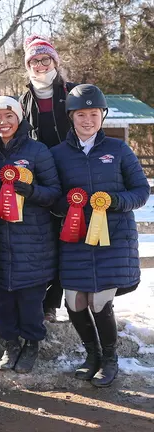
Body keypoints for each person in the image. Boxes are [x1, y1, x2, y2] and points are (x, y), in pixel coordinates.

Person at [51, 85, 149, 388]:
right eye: (82, 114)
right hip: (75, 237)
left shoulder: (119, 151)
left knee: (100, 301)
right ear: (71, 117)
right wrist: (69, 202)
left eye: (94, 114)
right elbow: (53, 197)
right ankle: (91, 355)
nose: (88, 120)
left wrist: (114, 201)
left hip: (113, 238)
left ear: (102, 115)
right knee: (75, 301)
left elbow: (141, 191)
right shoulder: (57, 154)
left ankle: (110, 359)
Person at [0, 96, 61, 374]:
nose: (3, 123)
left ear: (19, 118)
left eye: (9, 116)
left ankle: (31, 343)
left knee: (30, 299)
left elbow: (54, 192)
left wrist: (30, 192)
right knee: (2, 296)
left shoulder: (38, 151)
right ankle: (10, 343)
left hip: (33, 238)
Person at [19, 35, 78, 323]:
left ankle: (62, 301)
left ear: (55, 61)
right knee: (45, 239)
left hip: (71, 175)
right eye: (34, 61)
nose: (40, 65)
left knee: (70, 236)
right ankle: (43, 301)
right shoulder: (23, 99)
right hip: (40, 179)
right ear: (28, 66)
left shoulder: (74, 93)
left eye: (45, 59)